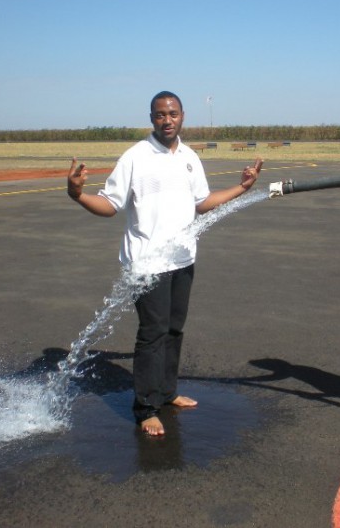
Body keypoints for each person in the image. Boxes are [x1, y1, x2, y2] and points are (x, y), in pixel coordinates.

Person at [67, 91, 263, 436]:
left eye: (173, 113)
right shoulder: (135, 158)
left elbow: (202, 203)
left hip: (183, 258)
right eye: (160, 115)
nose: (167, 119)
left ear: (183, 116)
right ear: (152, 118)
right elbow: (110, 205)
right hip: (147, 263)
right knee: (153, 334)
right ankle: (145, 409)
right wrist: (78, 194)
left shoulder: (189, 157)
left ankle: (167, 391)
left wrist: (242, 188)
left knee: (174, 329)